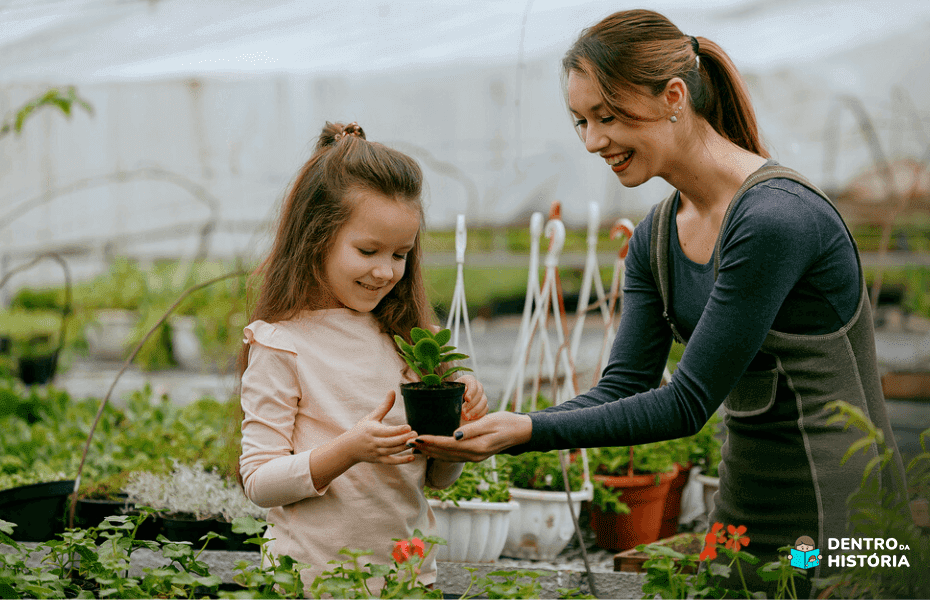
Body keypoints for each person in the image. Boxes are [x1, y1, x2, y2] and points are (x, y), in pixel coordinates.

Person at [414, 9, 907, 598]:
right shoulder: (655, 238)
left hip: (843, 519)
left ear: (674, 95)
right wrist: (504, 425)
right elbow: (623, 386)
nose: (595, 140)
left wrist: (525, 431)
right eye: (581, 122)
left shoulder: (774, 218)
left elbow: (688, 403)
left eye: (608, 116)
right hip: (745, 508)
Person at [238, 121, 488, 592]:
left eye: (401, 254)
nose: (385, 271)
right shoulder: (281, 344)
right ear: (315, 237)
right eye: (368, 250)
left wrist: (459, 431)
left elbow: (438, 479)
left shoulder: (416, 342)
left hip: (408, 579)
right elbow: (259, 480)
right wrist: (347, 451)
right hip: (313, 584)